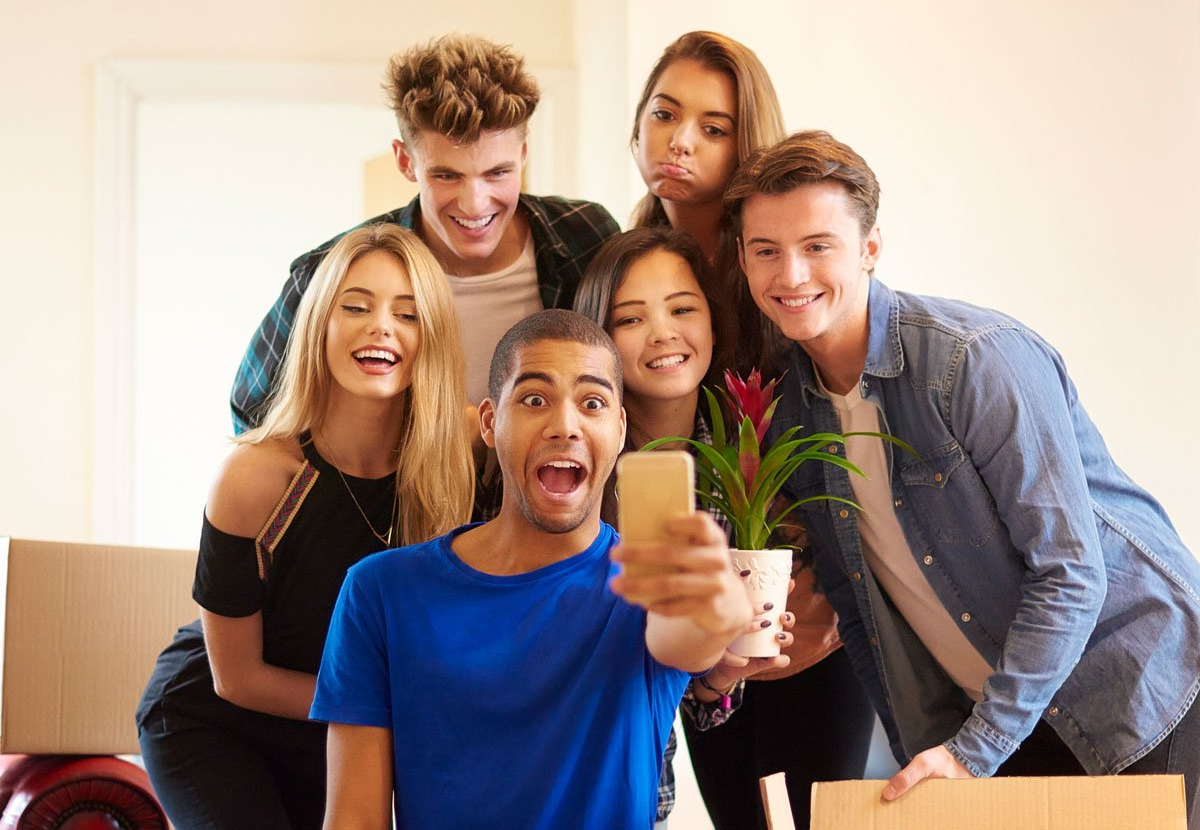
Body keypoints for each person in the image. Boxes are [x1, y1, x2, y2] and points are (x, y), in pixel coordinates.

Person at [726, 129, 1200, 828]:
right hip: (1007, 723)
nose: (790, 275)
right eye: (766, 251)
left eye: (818, 245)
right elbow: (863, 615)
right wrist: (936, 752)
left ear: (871, 249)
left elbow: (1071, 572)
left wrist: (973, 752)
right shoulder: (795, 417)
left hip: (1137, 691)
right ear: (742, 258)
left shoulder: (973, 362)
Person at [310, 309, 754, 830]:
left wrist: (719, 609)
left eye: (592, 403)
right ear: (491, 422)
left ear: (619, 428)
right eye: (535, 399)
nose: (565, 426)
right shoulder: (380, 591)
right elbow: (353, 819)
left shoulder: (650, 584)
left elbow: (687, 639)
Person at [136, 225, 474, 830]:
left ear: (434, 337)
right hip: (213, 720)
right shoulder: (256, 476)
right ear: (320, 323)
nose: (381, 327)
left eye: (408, 312)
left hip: (338, 727)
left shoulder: (458, 456)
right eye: (356, 306)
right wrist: (389, 710)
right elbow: (235, 678)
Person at [574, 227, 875, 830]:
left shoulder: (753, 442)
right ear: (598, 340)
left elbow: (696, 692)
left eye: (683, 309)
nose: (663, 333)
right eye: (629, 319)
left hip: (797, 678)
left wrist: (723, 671)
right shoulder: (580, 472)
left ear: (713, 319)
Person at [231, 34, 618, 431]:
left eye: (497, 173)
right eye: (446, 175)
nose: (475, 203)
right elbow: (253, 413)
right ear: (405, 161)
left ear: (522, 153)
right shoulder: (330, 271)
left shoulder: (585, 238)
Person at [630, 30, 786, 373]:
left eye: (713, 130)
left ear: (745, 146)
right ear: (639, 122)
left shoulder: (774, 266)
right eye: (664, 114)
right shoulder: (628, 255)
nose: (680, 141)